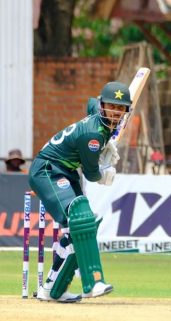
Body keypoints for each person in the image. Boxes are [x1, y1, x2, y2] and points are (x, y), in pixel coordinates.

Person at [28, 81, 130, 303]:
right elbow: (92, 175)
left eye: (121, 108)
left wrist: (106, 145)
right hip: (48, 170)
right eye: (111, 106)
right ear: (103, 106)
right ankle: (92, 283)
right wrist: (106, 171)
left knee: (81, 228)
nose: (116, 112)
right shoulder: (93, 135)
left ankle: (52, 289)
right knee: (80, 218)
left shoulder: (98, 116)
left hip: (66, 171)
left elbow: (90, 102)